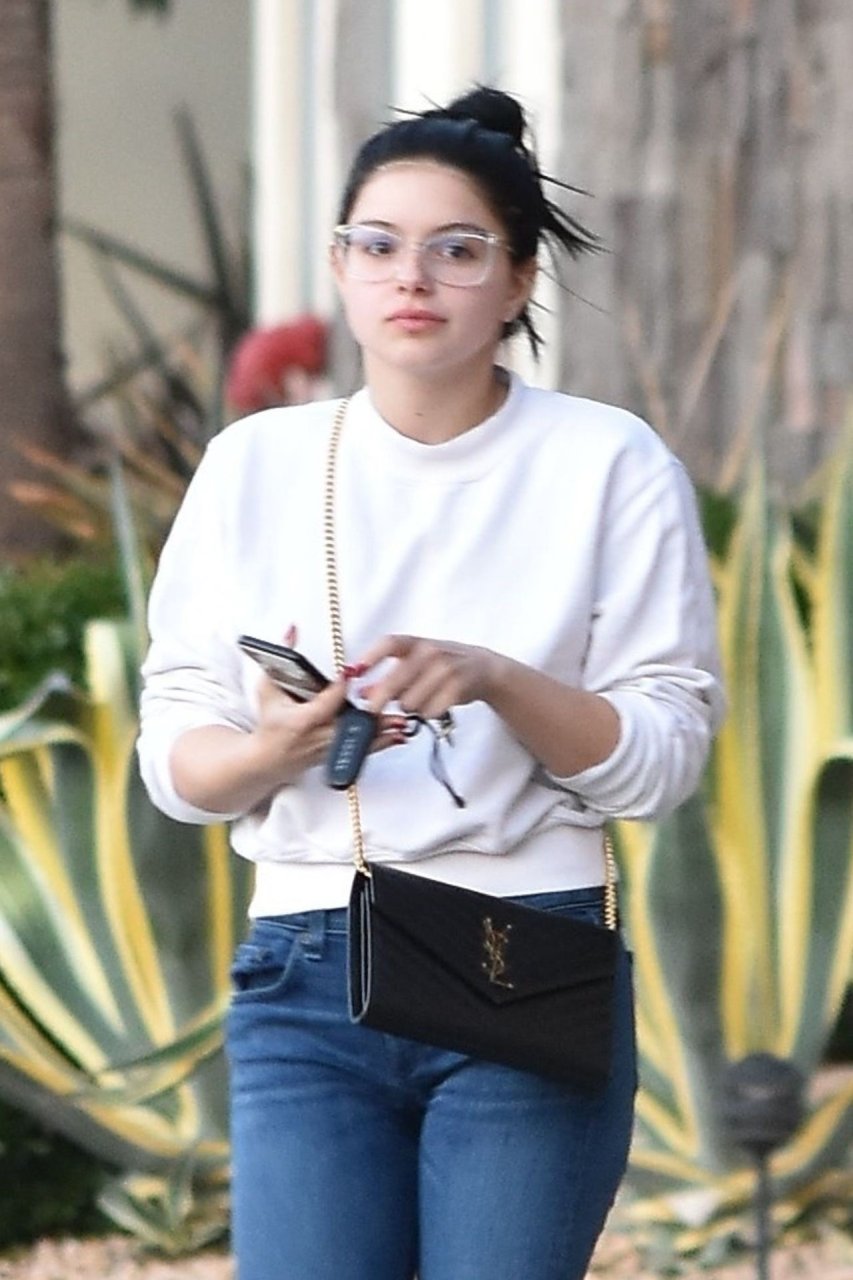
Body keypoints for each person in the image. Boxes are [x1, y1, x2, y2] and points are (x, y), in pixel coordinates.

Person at [138, 86, 724, 1280]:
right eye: (378, 244)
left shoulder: (607, 462)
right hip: (303, 966)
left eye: (458, 249)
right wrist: (274, 749)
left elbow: (661, 759)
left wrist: (495, 676)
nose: (411, 275)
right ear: (340, 268)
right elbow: (177, 761)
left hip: (525, 948)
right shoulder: (254, 464)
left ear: (516, 282)